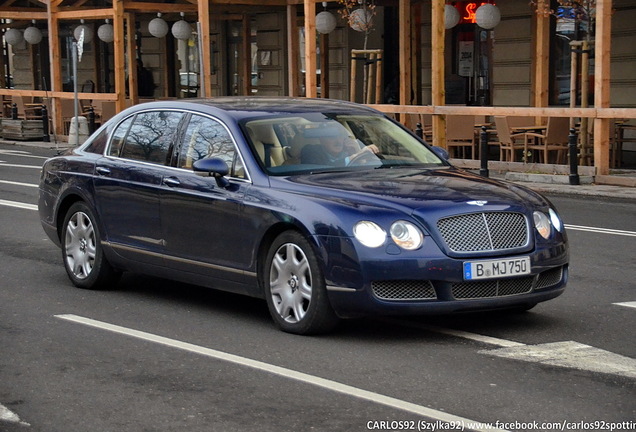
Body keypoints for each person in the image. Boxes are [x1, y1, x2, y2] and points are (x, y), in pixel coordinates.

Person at [300, 124, 380, 166]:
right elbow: (324, 169)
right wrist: (353, 157)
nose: (338, 141)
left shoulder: (353, 147)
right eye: (332, 137)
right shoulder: (310, 151)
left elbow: (375, 167)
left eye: (340, 136)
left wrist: (357, 151)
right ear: (322, 140)